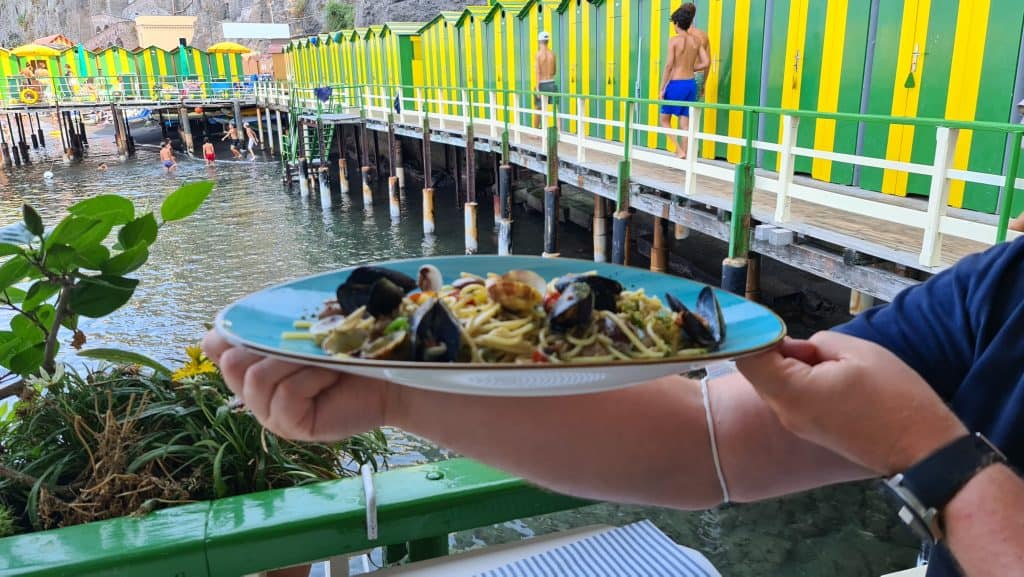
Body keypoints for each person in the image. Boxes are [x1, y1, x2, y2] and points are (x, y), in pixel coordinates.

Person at [204, 236, 1024, 577]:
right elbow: (712, 440)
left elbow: (916, 440)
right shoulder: (1003, 291)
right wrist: (401, 386)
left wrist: (937, 458)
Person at [658, 3, 709, 159]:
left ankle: (679, 150)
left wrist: (661, 88)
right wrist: (692, 68)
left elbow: (668, 66)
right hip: (690, 85)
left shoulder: (674, 40)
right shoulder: (696, 41)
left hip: (676, 84)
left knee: (664, 120)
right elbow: (706, 62)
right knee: (685, 124)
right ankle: (686, 154)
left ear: (677, 23)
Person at [534, 31, 557, 129]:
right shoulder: (552, 54)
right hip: (551, 82)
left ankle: (535, 132)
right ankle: (558, 131)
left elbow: (538, 72)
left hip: (542, 83)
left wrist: (538, 88)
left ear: (539, 41)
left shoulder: (538, 55)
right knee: (555, 108)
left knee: (538, 108)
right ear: (548, 41)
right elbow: (554, 71)